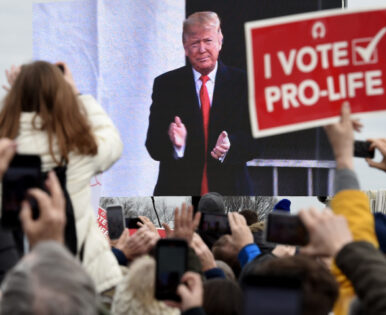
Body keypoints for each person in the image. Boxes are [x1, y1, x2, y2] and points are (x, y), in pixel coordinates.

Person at [0, 61, 123, 292]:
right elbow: (112, 141)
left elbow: (9, 121)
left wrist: (15, 96)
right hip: (79, 277)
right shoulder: (78, 148)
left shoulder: (4, 151)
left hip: (14, 284)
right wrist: (77, 94)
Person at [146, 11, 257, 196]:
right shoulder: (166, 85)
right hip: (178, 195)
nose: (202, 49)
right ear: (185, 47)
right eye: (194, 43)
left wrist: (230, 146)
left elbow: (256, 142)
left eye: (208, 41)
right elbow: (153, 145)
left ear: (220, 41)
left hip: (231, 194)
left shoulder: (243, 83)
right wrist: (175, 145)